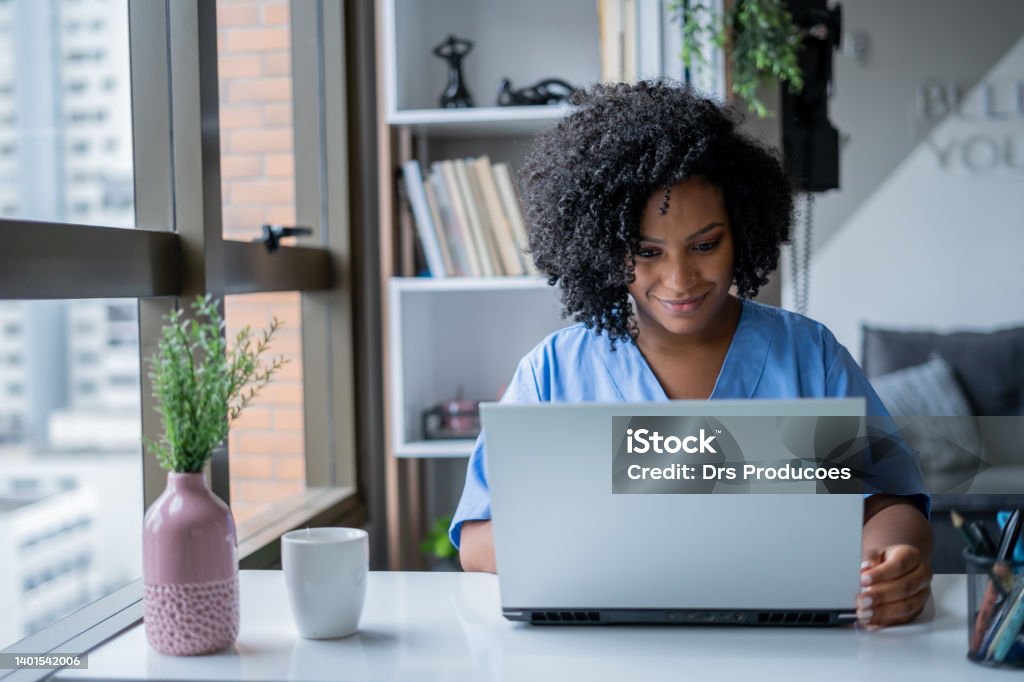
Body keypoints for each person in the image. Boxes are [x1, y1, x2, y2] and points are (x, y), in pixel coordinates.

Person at [450, 81, 933, 629]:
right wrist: (613, 540)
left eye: (705, 245)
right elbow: (477, 540)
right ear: (603, 249)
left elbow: (890, 501)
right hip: (603, 659)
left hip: (787, 652)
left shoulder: (809, 356)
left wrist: (892, 560)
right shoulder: (551, 373)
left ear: (744, 232)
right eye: (648, 252)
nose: (680, 280)